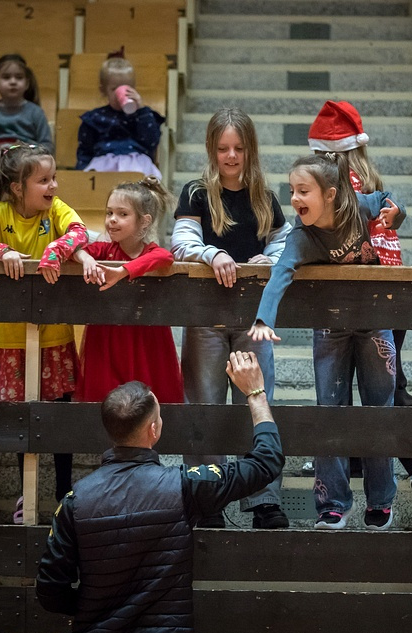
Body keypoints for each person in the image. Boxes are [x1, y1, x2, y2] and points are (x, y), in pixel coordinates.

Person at [36, 351, 284, 633]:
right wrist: (255, 393)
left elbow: (50, 590)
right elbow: (265, 462)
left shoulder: (75, 501)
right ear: (153, 430)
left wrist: (93, 606)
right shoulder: (185, 486)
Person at [249, 153, 404, 530]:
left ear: (330, 194)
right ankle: (333, 502)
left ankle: (381, 499)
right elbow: (279, 276)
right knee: (329, 410)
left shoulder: (357, 206)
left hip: (374, 321)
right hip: (330, 327)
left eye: (303, 191)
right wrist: (263, 320)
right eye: (292, 191)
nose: (295, 198)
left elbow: (386, 200)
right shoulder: (300, 238)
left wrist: (395, 215)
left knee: (378, 409)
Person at [307, 99, 412, 493]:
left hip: (364, 295)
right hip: (386, 292)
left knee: (367, 386)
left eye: (320, 156)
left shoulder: (342, 188)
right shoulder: (370, 183)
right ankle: (370, 456)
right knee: (383, 383)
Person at [0, 144, 89, 522]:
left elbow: (80, 232)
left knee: (59, 417)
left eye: (54, 178)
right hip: (12, 339)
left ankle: (64, 492)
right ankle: (25, 492)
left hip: (56, 336)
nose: (53, 186)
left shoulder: (55, 210)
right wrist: (0, 251)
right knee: (20, 418)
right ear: (17, 187)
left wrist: (56, 250)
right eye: (44, 180)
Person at [171, 107, 290, 529]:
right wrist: (212, 253)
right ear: (212, 149)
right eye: (223, 148)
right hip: (205, 315)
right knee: (203, 405)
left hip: (253, 317)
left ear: (250, 149)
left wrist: (268, 259)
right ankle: (206, 499)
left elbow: (287, 245)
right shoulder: (196, 193)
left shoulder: (264, 197)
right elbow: (181, 242)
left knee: (256, 399)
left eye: (239, 148)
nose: (231, 156)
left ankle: (264, 499)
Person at [70, 176, 183, 406]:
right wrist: (85, 258)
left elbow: (165, 256)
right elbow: (73, 249)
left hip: (145, 339)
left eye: (122, 214)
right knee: (106, 399)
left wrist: (123, 271)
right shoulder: (104, 250)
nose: (112, 219)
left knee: (144, 400)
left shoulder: (150, 250)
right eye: (109, 213)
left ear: (144, 221)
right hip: (107, 339)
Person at [76, 56, 165, 178]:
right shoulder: (95, 117)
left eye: (127, 88)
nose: (120, 94)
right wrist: (81, 174)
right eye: (114, 89)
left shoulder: (142, 115)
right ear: (103, 90)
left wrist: (141, 110)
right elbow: (85, 150)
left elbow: (152, 142)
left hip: (135, 161)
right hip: (104, 163)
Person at [0, 54, 53, 166]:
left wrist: (28, 150)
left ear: (27, 83)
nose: (13, 82)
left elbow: (47, 145)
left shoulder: (36, 112)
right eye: (6, 77)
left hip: (27, 163)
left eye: (19, 77)